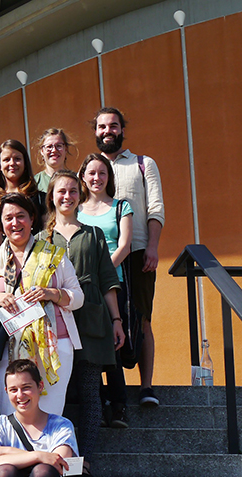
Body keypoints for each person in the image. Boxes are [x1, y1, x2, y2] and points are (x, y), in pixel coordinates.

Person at [0, 193, 83, 417]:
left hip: (54, 346)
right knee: (12, 412)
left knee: (50, 414)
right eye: (8, 218)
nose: (15, 223)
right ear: (1, 225)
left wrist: (51, 293)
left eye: (21, 216)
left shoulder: (54, 255)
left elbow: (78, 298)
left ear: (32, 219)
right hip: (6, 346)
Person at [42, 170, 124, 476]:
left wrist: (116, 320)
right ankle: (54, 457)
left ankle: (83, 459)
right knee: (54, 392)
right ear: (51, 196)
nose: (67, 196)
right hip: (52, 322)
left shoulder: (93, 234)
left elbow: (107, 280)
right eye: (61, 191)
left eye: (73, 191)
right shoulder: (41, 238)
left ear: (80, 194)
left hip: (90, 318)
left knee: (90, 391)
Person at [93, 107, 165, 407]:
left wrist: (152, 246)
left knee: (142, 317)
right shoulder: (91, 168)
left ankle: (146, 387)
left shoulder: (142, 163)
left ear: (122, 130)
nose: (107, 131)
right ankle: (107, 391)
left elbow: (156, 208)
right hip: (100, 257)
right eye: (101, 127)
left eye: (113, 126)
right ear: (95, 132)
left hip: (136, 252)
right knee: (102, 321)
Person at [78, 153, 133, 428]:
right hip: (83, 289)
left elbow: (124, 245)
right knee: (90, 348)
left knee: (112, 344)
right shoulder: (75, 210)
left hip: (112, 284)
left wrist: (102, 272)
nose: (96, 178)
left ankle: (119, 405)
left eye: (102, 173)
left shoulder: (121, 206)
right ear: (83, 177)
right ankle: (96, 405)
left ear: (109, 177)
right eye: (91, 173)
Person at [0, 140, 45, 233]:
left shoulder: (41, 199)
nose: (12, 163)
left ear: (25, 163)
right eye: (6, 159)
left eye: (17, 159)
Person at [34, 128, 76, 193]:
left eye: (59, 146)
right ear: (42, 151)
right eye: (49, 147)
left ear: (66, 149)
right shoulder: (34, 183)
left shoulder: (76, 180)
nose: (54, 150)